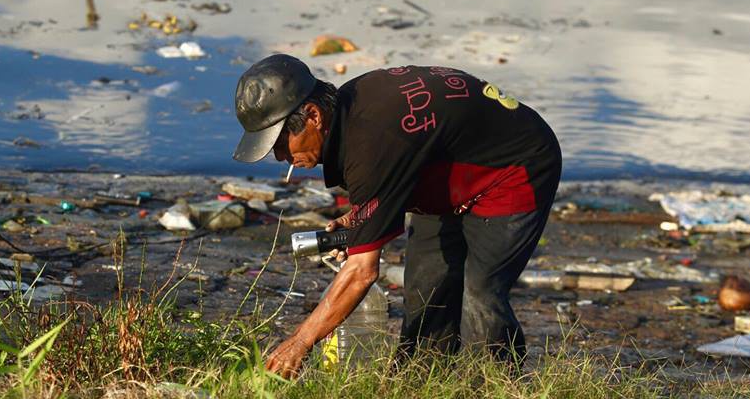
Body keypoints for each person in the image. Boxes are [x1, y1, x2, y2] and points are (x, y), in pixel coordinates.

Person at [233, 54, 561, 378]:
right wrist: (362, 218)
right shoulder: (352, 110)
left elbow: (362, 272)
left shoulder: (372, 140)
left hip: (514, 168)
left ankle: (497, 392)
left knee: (480, 291)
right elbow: (394, 171)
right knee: (425, 285)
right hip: (443, 173)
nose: (279, 156)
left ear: (313, 115)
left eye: (279, 142)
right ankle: (421, 383)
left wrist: (301, 341)